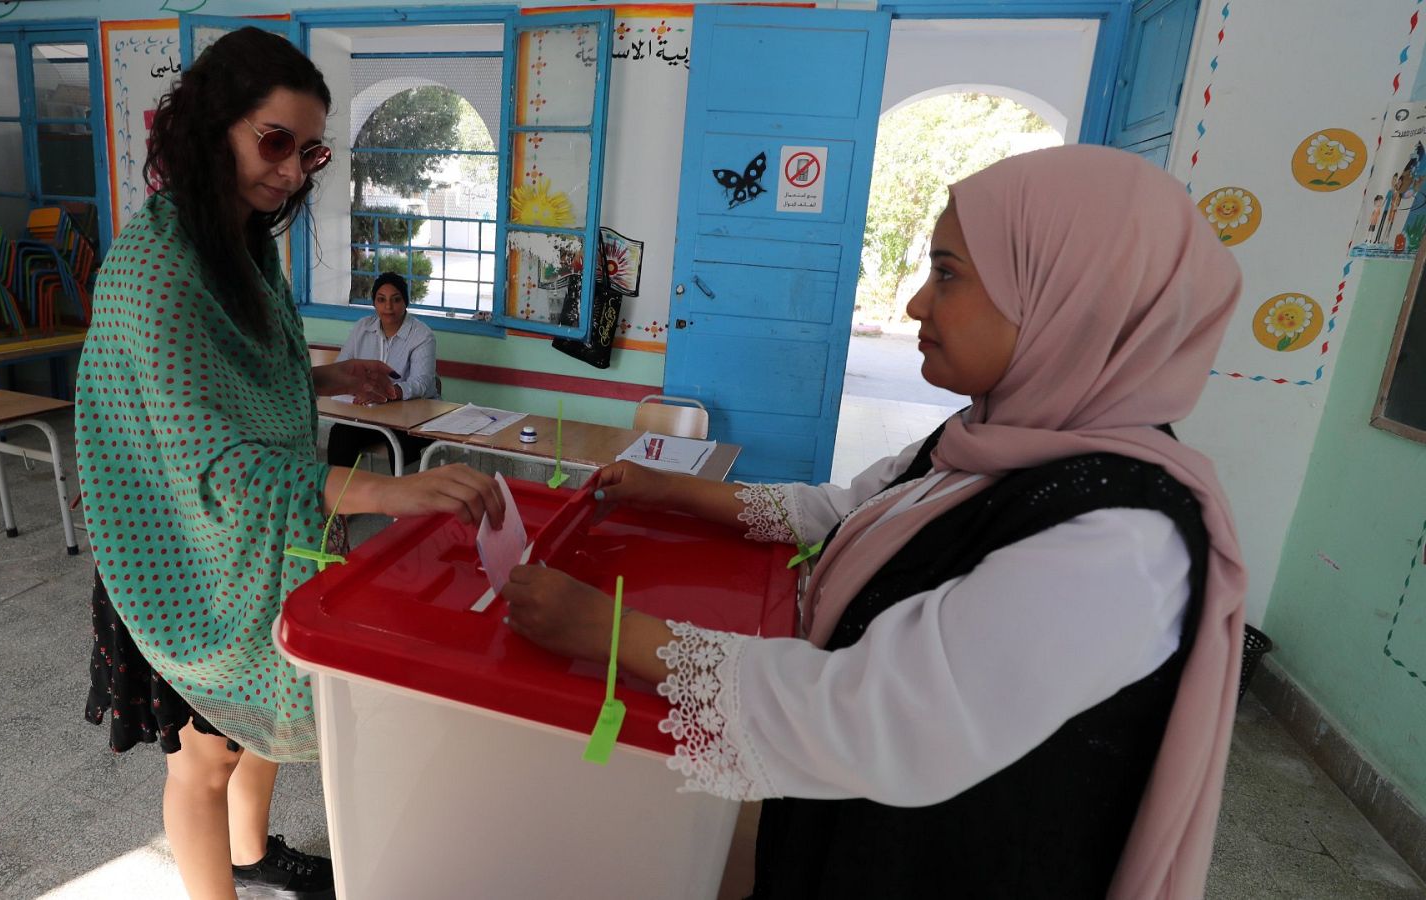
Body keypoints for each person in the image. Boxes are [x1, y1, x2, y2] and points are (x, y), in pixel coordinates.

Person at [503, 144, 1247, 898]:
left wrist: (607, 630)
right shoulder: (984, 440)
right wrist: (671, 490)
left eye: (948, 274)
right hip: (846, 834)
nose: (918, 304)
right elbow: (838, 511)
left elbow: (877, 714)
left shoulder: (1123, 538)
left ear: (1070, 296)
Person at [75, 28, 504, 900]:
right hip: (181, 552)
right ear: (210, 126)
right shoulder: (158, 266)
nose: (293, 170)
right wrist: (397, 490)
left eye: (310, 150)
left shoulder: (240, 240)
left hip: (252, 545)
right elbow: (217, 459)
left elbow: (230, 381)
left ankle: (253, 851)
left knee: (262, 721)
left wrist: (327, 374)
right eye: (275, 141)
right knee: (203, 756)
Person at [327, 272, 439, 471]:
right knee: (340, 434)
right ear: (374, 303)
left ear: (406, 302)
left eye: (396, 300)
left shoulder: (422, 335)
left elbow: (422, 383)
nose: (388, 307)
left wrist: (386, 392)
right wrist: (359, 388)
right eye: (381, 300)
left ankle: (403, 498)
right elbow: (341, 368)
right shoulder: (362, 327)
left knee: (399, 442)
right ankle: (343, 498)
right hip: (370, 414)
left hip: (411, 418)